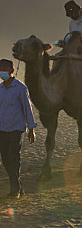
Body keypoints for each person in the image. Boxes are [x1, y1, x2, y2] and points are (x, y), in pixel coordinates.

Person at [0, 59, 37, 198]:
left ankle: (14, 189)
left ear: (11, 70)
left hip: (16, 128)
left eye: (4, 68)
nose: (1, 71)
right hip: (2, 128)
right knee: (5, 159)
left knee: (13, 157)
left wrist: (32, 128)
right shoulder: (0, 89)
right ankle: (17, 186)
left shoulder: (20, 88)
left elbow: (27, 108)